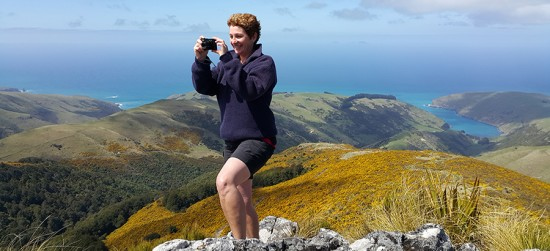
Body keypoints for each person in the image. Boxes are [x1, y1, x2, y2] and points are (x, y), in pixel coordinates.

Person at [191, 13, 277, 239]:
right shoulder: (228, 64)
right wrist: (201, 61)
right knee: (245, 200)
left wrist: (226, 59)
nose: (234, 41)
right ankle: (254, 244)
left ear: (253, 36)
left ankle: (239, 244)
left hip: (259, 139)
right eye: (231, 36)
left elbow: (250, 90)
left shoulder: (264, 63)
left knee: (224, 182)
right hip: (232, 141)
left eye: (239, 36)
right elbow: (206, 87)